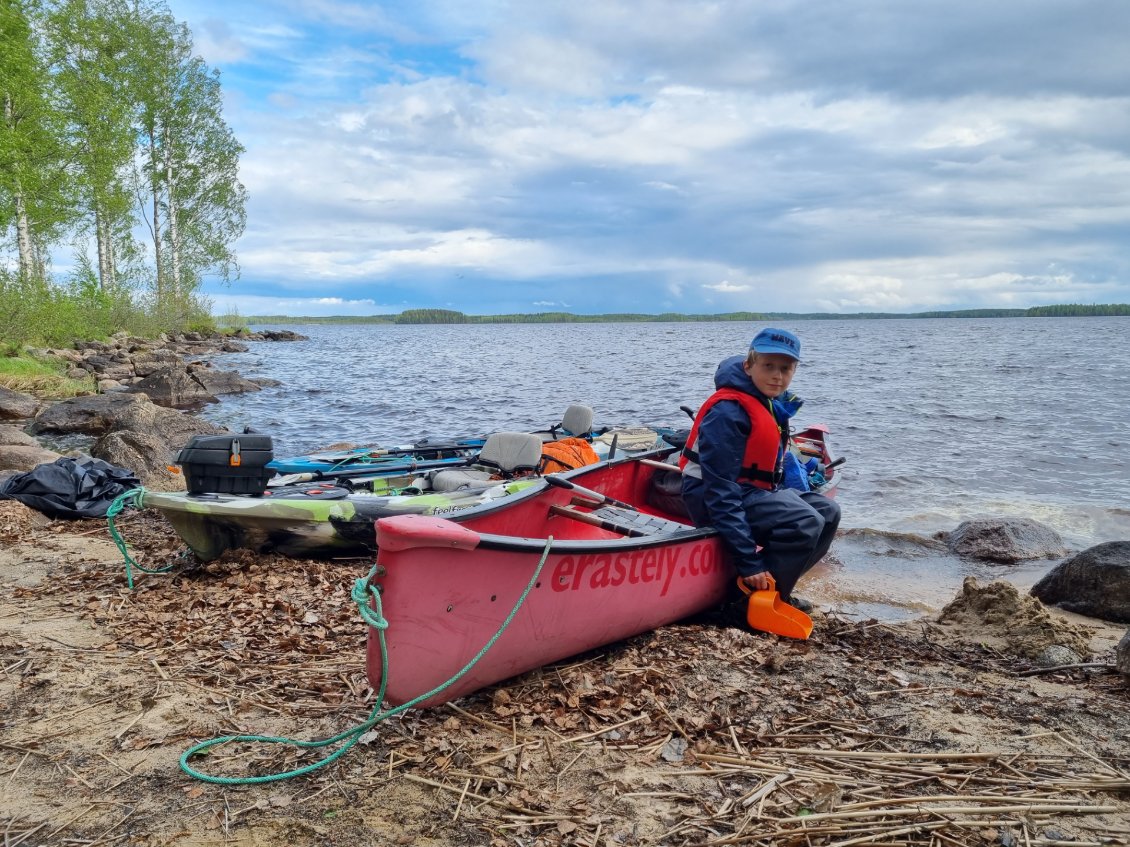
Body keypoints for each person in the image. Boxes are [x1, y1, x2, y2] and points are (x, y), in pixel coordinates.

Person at [680, 328, 840, 612]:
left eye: (785, 368)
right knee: (805, 522)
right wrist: (748, 561)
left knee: (828, 513)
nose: (777, 376)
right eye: (768, 366)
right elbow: (720, 491)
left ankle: (774, 594)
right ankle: (743, 605)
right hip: (710, 496)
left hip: (749, 490)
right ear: (748, 366)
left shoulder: (767, 401)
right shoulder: (727, 413)